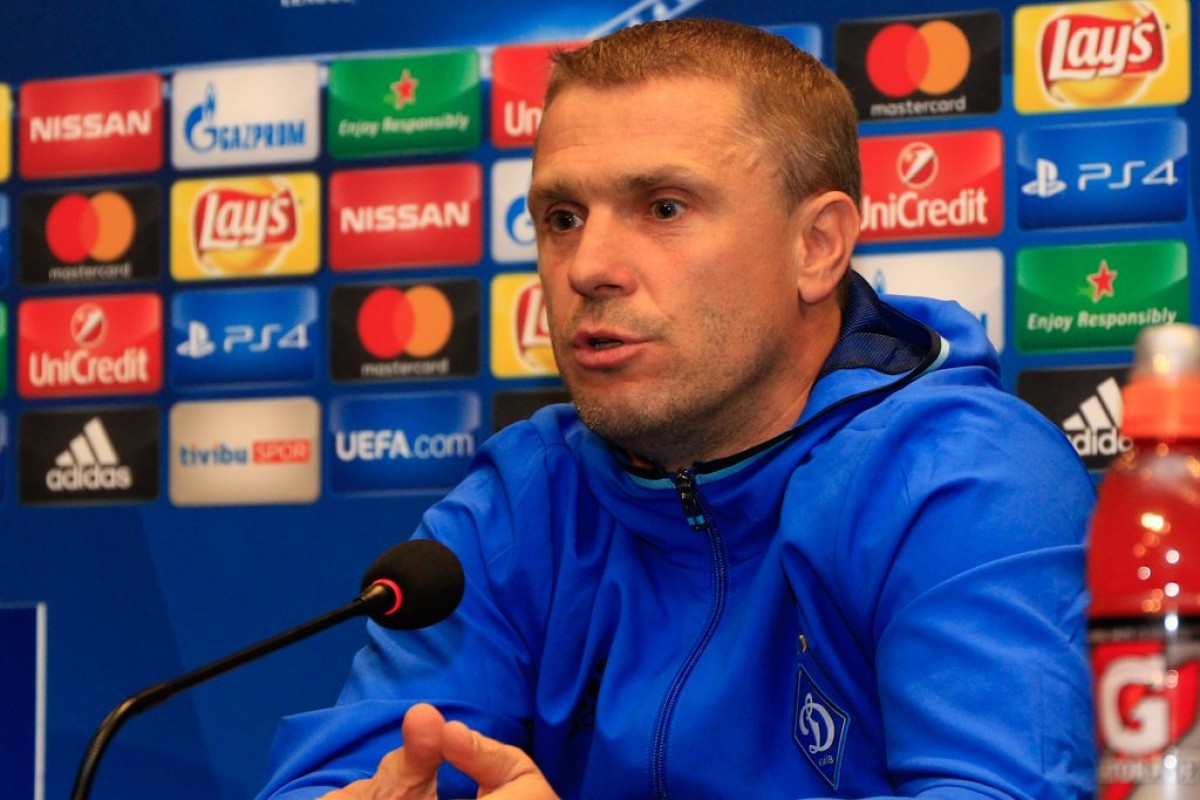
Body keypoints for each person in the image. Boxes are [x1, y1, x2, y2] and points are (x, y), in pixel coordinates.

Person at [258, 18, 1095, 800]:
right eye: (562, 218)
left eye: (663, 208)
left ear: (816, 247)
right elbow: (349, 777)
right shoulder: (520, 502)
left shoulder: (962, 481)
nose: (588, 266)